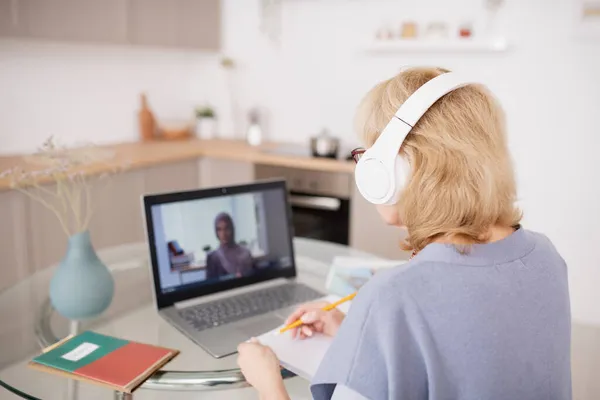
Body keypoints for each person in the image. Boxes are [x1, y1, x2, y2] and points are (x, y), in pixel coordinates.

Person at [236, 67, 571, 400]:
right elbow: (475, 357)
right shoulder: (546, 257)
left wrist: (268, 382)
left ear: (398, 169)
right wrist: (361, 335)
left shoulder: (392, 297)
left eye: (366, 153)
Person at [206, 212, 254, 279]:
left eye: (226, 228)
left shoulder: (245, 253)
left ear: (232, 229)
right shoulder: (213, 258)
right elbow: (210, 286)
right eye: (219, 229)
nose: (223, 234)